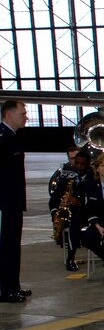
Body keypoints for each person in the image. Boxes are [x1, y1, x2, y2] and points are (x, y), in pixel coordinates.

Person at [0, 100, 31, 302]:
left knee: (13, 245)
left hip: (13, 203)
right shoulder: (2, 138)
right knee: (4, 247)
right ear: (9, 114)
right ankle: (4, 290)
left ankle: (13, 286)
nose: (26, 116)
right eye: (23, 113)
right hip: (4, 203)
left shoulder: (11, 137)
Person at [49, 149, 93, 271]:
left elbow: (96, 200)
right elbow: (54, 198)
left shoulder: (93, 178)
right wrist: (54, 213)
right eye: (76, 163)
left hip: (88, 212)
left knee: (75, 222)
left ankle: (70, 257)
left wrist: (79, 203)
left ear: (88, 164)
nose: (78, 166)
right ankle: (70, 257)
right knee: (73, 221)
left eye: (82, 164)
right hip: (71, 212)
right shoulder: (66, 177)